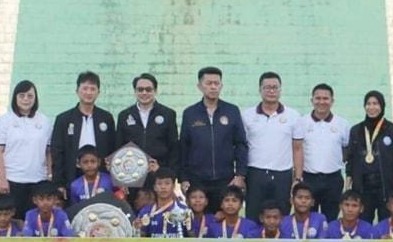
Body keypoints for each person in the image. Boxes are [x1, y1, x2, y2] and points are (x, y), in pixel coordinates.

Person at [179, 67, 248, 213]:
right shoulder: (190, 113)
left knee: (223, 219)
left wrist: (240, 175)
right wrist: (183, 179)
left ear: (221, 86)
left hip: (225, 180)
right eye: (209, 83)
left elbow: (241, 144)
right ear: (199, 86)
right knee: (199, 221)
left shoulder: (232, 111)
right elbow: (183, 147)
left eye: (216, 83)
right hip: (197, 180)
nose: (213, 87)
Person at [242, 72, 300, 219]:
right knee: (253, 215)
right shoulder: (247, 115)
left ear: (280, 90)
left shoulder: (293, 115)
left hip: (283, 174)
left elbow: (298, 148)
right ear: (260, 90)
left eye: (275, 87)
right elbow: (242, 147)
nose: (271, 91)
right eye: (267, 87)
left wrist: (297, 178)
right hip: (255, 173)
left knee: (281, 216)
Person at [0, 80, 53, 220]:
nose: (26, 99)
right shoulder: (4, 121)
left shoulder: (44, 121)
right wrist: (2, 179)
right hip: (12, 180)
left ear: (35, 98)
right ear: (15, 97)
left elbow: (48, 151)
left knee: (34, 221)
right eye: (22, 95)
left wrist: (49, 175)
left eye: (30, 96)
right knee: (12, 222)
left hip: (37, 180)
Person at [52, 71, 116, 197]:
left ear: (98, 92)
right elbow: (57, 152)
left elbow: (112, 149)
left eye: (92, 89)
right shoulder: (63, 119)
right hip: (72, 174)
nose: (89, 92)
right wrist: (59, 183)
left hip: (100, 176)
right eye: (85, 88)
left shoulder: (106, 118)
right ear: (77, 91)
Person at [293, 83, 350, 221]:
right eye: (318, 98)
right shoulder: (301, 122)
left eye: (325, 98)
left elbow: (346, 150)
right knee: (307, 219)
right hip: (308, 179)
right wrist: (297, 178)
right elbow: (297, 149)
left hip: (333, 179)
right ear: (312, 100)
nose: (321, 102)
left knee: (330, 220)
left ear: (332, 101)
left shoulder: (343, 124)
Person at [347, 90, 393, 224]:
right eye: (368, 104)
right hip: (362, 188)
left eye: (375, 103)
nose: (371, 107)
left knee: (386, 224)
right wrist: (348, 187)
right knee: (362, 224)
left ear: (382, 106)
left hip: (386, 187)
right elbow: (350, 160)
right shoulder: (356, 130)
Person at [115, 73, 179, 191]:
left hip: (159, 175)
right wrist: (121, 177)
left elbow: (174, 148)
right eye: (140, 89)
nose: (144, 93)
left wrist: (165, 172)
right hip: (132, 175)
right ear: (135, 91)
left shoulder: (168, 114)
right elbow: (119, 147)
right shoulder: (124, 115)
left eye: (148, 89)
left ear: (155, 91)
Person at [136, 167, 188, 238]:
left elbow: (193, 238)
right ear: (154, 187)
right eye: (159, 184)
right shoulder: (145, 212)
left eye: (167, 183)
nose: (163, 187)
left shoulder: (184, 211)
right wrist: (138, 229)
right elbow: (140, 239)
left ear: (173, 186)